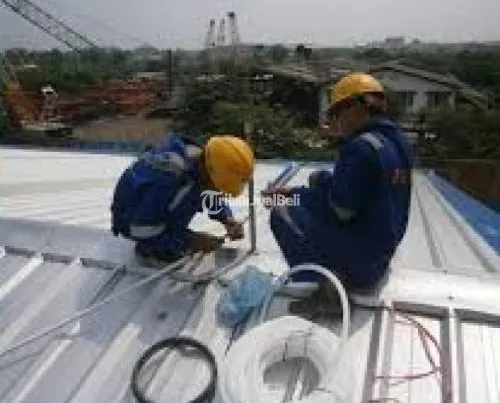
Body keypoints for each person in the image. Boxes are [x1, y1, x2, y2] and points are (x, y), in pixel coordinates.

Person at [262, 72, 413, 315]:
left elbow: (340, 211)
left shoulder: (360, 149)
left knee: (281, 212)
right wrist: (319, 182)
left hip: (363, 264)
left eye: (336, 114)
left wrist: (291, 196)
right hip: (382, 254)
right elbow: (366, 190)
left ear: (354, 108)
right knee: (309, 192)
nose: (336, 122)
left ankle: (329, 291)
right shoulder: (397, 142)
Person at [111, 132, 255, 263]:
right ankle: (154, 248)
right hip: (132, 221)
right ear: (207, 173)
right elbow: (141, 229)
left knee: (194, 191)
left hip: (156, 205)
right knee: (185, 200)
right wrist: (190, 240)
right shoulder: (168, 177)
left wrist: (226, 218)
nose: (220, 193)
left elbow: (207, 190)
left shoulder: (200, 161)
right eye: (219, 188)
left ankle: (170, 239)